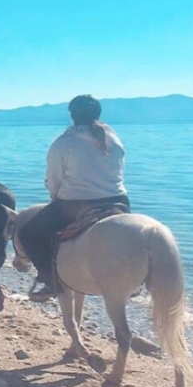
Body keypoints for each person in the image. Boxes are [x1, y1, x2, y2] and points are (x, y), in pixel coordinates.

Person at [18, 94, 129, 302]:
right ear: (98, 113)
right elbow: (118, 172)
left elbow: (54, 178)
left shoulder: (64, 142)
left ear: (72, 115)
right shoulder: (113, 139)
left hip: (75, 205)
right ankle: (135, 280)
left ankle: (49, 281)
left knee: (28, 233)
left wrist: (55, 194)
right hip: (118, 200)